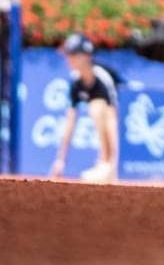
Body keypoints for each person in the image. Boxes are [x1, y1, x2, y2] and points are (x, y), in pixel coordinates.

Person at [51, 35, 119, 183]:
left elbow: (113, 120)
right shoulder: (76, 81)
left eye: (74, 54)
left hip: (128, 117)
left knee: (97, 107)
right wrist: (60, 161)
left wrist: (114, 166)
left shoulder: (102, 77)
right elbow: (70, 122)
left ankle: (106, 163)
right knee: (96, 107)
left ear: (87, 55)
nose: (69, 59)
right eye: (68, 54)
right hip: (108, 118)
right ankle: (104, 165)